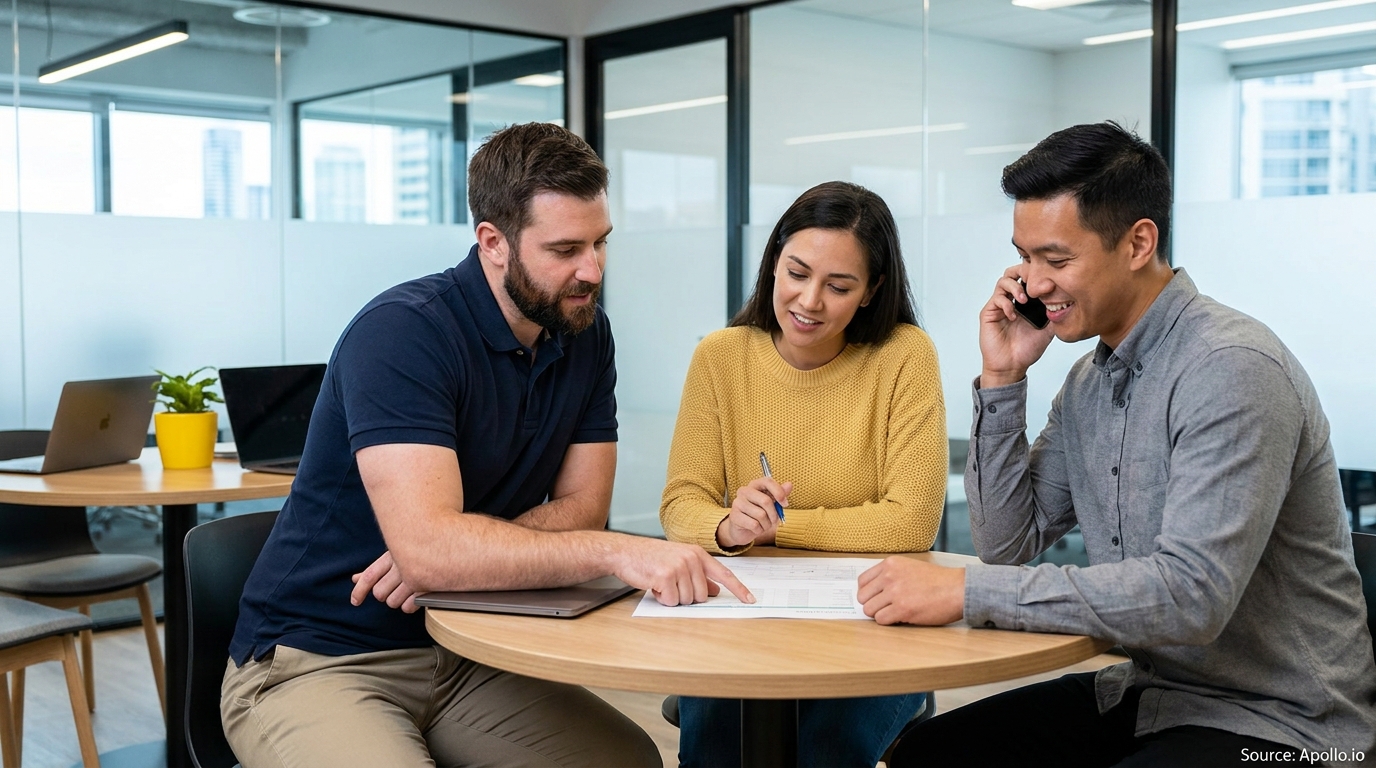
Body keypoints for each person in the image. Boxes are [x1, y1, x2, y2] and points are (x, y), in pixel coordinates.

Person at [222, 122, 754, 768]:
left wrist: (453, 553)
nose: (592, 270)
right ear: (493, 243)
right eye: (565, 249)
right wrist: (450, 552)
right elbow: (457, 551)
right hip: (320, 659)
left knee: (629, 762)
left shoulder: (585, 334)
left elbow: (581, 510)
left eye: (600, 243)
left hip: (469, 651)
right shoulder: (403, 334)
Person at [856, 122, 1376, 767]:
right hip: (1157, 693)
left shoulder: (1230, 368)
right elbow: (1006, 543)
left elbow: (1191, 597)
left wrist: (969, 594)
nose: (1033, 283)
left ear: (1137, 243)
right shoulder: (1089, 381)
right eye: (1025, 257)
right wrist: (1002, 377)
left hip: (1289, 729)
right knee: (928, 755)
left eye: (1057, 259)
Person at [660, 181, 948, 767]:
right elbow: (680, 505)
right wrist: (727, 528)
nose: (809, 300)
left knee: (825, 748)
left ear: (872, 293)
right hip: (747, 615)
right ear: (772, 266)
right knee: (718, 744)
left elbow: (912, 524)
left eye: (838, 286)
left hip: (874, 620)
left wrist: (777, 530)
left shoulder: (904, 355)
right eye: (796, 273)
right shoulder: (720, 357)